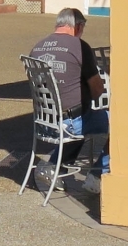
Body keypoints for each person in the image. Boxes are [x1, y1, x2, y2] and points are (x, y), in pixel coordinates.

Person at [28, 9, 106, 181]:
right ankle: (96, 177)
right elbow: (97, 90)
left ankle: (53, 168)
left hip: (44, 122)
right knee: (121, 124)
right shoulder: (80, 46)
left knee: (82, 116)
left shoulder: (37, 47)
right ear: (78, 26)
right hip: (70, 123)